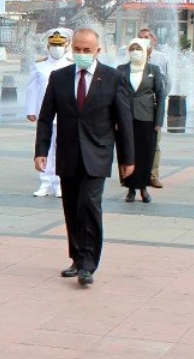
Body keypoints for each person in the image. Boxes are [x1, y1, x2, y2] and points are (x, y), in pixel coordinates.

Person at [34, 28, 133, 287]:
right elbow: (45, 118)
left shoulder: (113, 78)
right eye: (77, 49)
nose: (81, 54)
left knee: (89, 205)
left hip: (97, 153)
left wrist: (127, 159)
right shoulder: (59, 77)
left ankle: (89, 264)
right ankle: (77, 258)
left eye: (86, 50)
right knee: (71, 207)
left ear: (98, 51)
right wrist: (41, 152)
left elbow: (123, 121)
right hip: (68, 152)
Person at [116, 38, 166, 203]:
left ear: (145, 51)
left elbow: (160, 94)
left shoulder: (154, 69)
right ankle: (130, 188)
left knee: (146, 153)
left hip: (147, 117)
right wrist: (115, 118)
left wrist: (158, 120)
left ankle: (143, 187)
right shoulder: (121, 70)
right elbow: (115, 95)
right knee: (127, 152)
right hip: (126, 117)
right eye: (132, 48)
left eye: (139, 49)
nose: (135, 52)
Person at [24, 28, 72, 197]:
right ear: (48, 45)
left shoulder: (71, 65)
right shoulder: (40, 65)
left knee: (61, 148)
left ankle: (59, 182)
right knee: (45, 147)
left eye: (60, 44)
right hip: (44, 114)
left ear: (67, 45)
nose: (56, 48)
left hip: (65, 114)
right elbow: (32, 88)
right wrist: (30, 110)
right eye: (53, 44)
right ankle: (45, 181)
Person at [137, 28, 168, 189]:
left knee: (155, 143)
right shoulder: (132, 56)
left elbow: (166, 82)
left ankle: (153, 174)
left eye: (147, 37)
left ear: (153, 39)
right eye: (140, 38)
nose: (144, 40)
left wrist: (160, 102)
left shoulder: (161, 59)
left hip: (154, 107)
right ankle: (135, 173)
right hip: (137, 109)